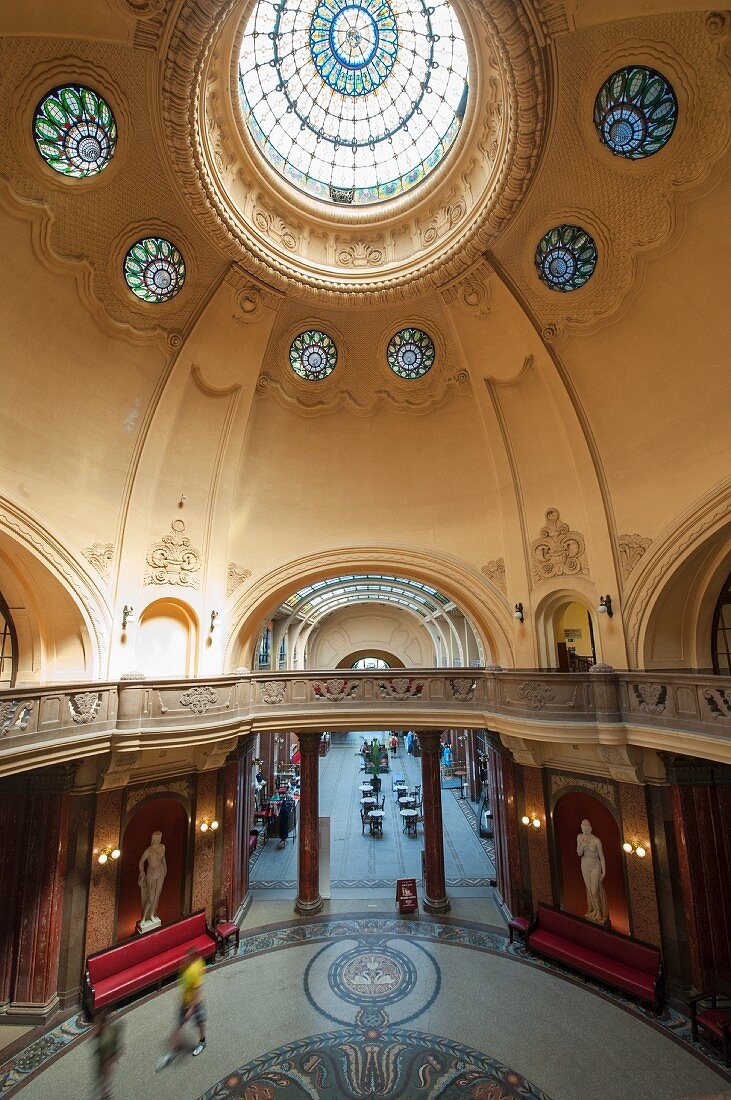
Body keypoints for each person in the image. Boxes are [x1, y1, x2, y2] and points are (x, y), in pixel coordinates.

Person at [156, 949, 207, 1070]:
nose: (185, 959)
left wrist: (191, 1009)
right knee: (178, 1025)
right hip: (184, 1002)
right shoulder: (185, 968)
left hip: (196, 1003)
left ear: (192, 959)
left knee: (200, 1022)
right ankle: (173, 1051)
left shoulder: (195, 970)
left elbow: (197, 991)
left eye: (188, 958)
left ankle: (202, 1042)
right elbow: (184, 983)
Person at [576, 819, 608, 924]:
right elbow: (579, 853)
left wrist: (604, 872)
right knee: (589, 890)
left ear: (590, 828)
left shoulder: (596, 840)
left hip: (595, 865)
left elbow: (602, 857)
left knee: (594, 891)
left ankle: (599, 912)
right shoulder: (580, 837)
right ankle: (594, 910)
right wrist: (582, 845)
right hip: (584, 864)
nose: (585, 830)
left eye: (586, 828)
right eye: (583, 828)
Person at [138, 831, 167, 926]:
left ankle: (152, 915)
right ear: (153, 839)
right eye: (157, 838)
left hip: (160, 873)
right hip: (151, 874)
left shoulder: (162, 847)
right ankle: (143, 917)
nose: (159, 840)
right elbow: (141, 862)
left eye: (160, 838)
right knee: (151, 897)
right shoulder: (148, 851)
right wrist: (142, 871)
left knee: (157, 896)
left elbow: (163, 859)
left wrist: (165, 868)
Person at [95, 1009, 123, 1100]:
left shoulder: (110, 1031)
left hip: (107, 1059)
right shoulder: (110, 1029)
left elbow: (116, 1043)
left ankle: (105, 1094)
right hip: (106, 1058)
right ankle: (105, 1093)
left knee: (105, 1077)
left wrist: (114, 1057)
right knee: (105, 1077)